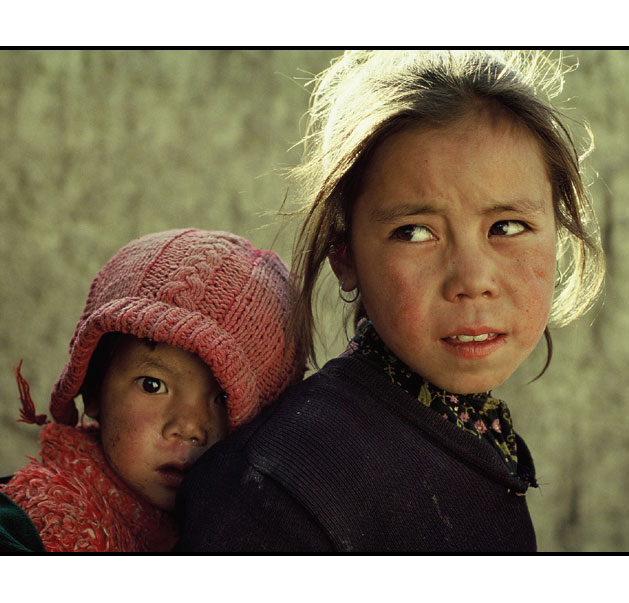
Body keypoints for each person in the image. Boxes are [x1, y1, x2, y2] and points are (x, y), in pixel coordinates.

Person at [175, 50, 605, 552]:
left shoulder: (469, 431)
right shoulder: (283, 495)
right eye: (415, 232)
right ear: (345, 256)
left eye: (506, 227)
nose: (472, 279)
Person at [0, 228, 306, 552]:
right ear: (93, 391)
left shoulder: (252, 535)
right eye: (153, 385)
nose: (189, 427)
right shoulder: (29, 529)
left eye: (224, 399)